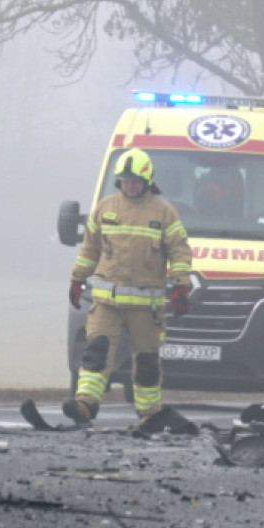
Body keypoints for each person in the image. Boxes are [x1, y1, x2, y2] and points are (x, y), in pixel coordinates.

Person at [65, 148, 195, 424]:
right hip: (106, 303)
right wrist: (77, 278)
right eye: (125, 180)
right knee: (96, 351)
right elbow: (90, 249)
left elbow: (180, 252)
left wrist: (181, 286)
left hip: (145, 307)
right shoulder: (105, 208)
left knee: (147, 361)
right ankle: (85, 404)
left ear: (147, 180)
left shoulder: (164, 212)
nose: (130, 185)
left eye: (135, 180)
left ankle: (149, 413)